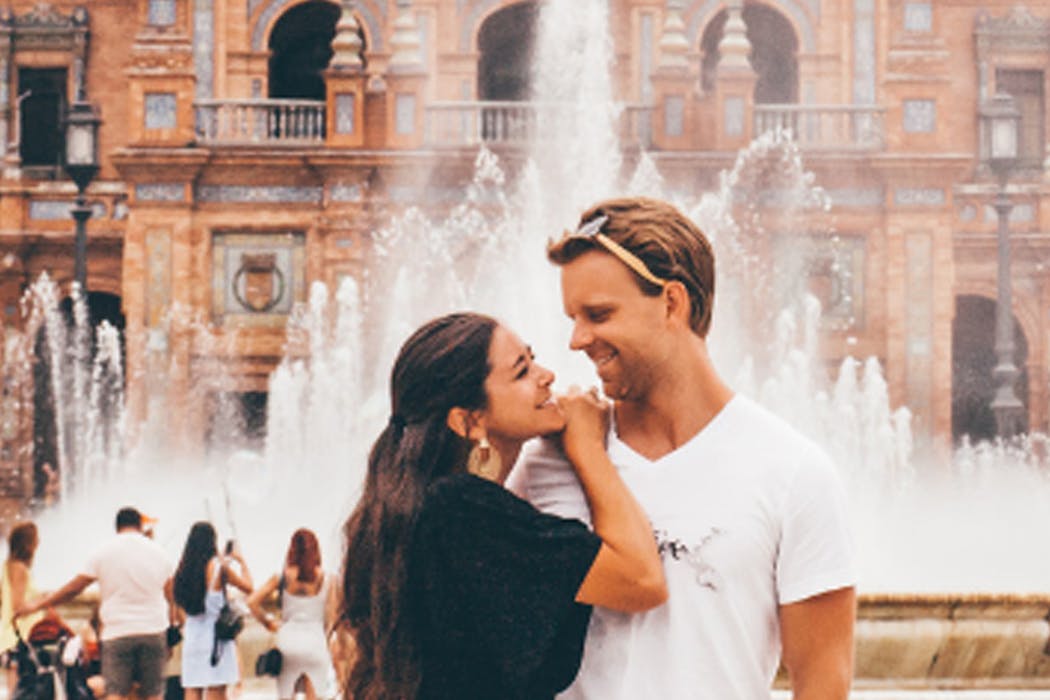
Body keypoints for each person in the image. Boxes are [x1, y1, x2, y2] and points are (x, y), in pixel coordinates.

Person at [512, 196, 857, 699]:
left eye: (599, 314)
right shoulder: (546, 465)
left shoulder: (794, 473)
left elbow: (822, 682)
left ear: (672, 303)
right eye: (573, 318)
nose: (577, 340)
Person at [341, 312, 667, 700]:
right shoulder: (460, 511)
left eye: (533, 359)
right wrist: (588, 448)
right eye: (521, 372)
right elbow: (641, 580)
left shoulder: (426, 510)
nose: (547, 376)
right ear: (468, 422)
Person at [17, 507, 176, 700]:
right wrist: (172, 630)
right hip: (153, 631)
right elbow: (171, 597)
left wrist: (38, 605)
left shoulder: (104, 552)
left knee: (115, 693)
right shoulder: (159, 552)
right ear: (140, 525)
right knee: (154, 694)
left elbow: (74, 589)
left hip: (117, 632)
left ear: (117, 527)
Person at [247, 528, 337, 700]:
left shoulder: (282, 577)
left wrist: (268, 623)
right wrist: (326, 641)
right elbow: (332, 619)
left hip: (287, 642)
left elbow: (252, 602)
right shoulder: (328, 580)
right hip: (315, 643)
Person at [171, 522, 252, 700]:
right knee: (216, 689)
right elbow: (248, 587)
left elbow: (178, 607)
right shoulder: (218, 567)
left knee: (192, 689)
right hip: (215, 640)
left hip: (192, 639)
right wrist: (241, 561)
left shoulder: (183, 570)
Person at [1, 521, 44, 694]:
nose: (39, 542)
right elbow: (18, 606)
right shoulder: (18, 569)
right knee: (19, 691)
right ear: (28, 543)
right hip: (20, 637)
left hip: (13, 636)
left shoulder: (8, 567)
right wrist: (43, 602)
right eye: (36, 538)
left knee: (18, 691)